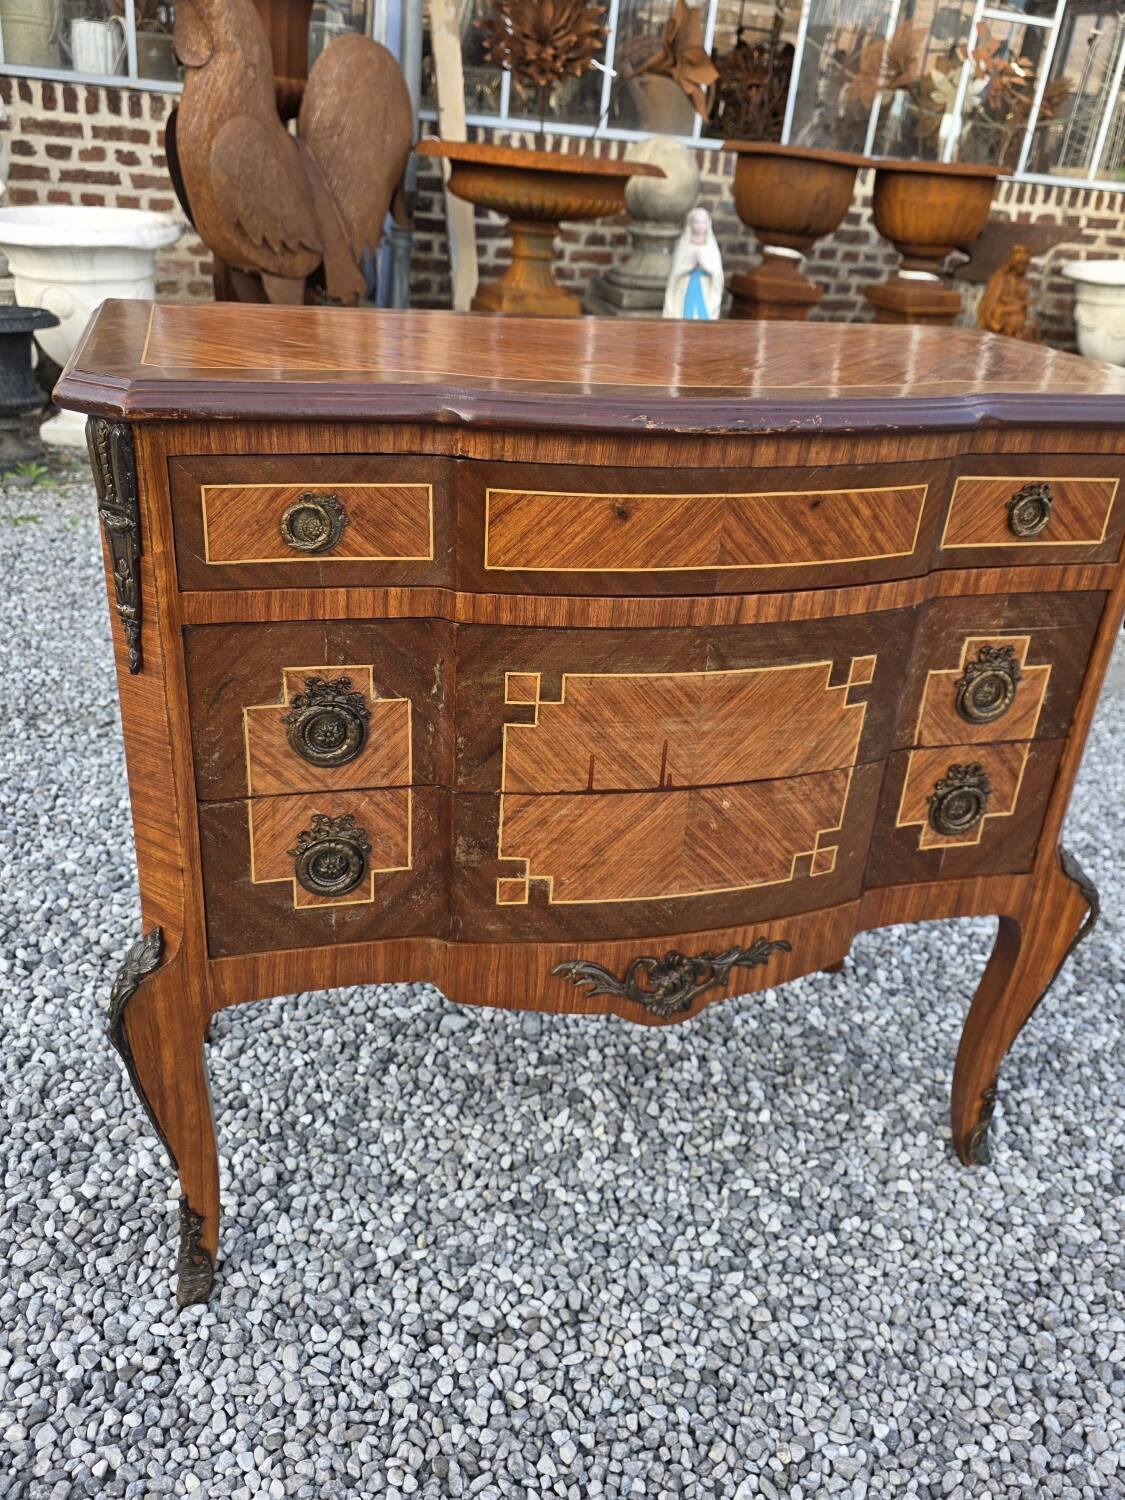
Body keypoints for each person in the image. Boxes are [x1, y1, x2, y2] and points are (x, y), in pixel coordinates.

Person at [663, 206, 724, 320]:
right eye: (697, 222)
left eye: (704, 222)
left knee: (701, 316)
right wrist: (690, 265)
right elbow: (675, 272)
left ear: (708, 224)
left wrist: (704, 265)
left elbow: (717, 274)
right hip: (686, 287)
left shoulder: (711, 247)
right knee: (686, 314)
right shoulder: (684, 245)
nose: (701, 226)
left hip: (705, 289)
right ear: (690, 224)